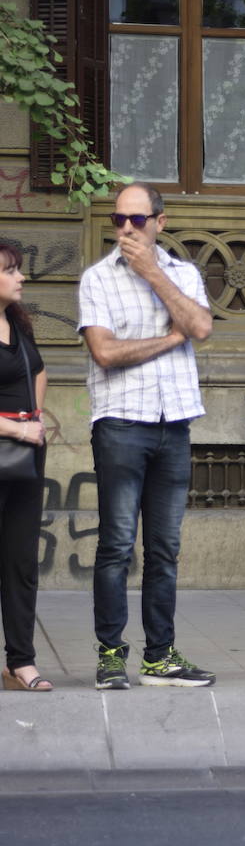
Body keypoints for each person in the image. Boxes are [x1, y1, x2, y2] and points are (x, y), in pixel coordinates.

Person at [78, 182, 216, 690]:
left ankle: (160, 657)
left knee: (165, 549)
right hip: (120, 425)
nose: (127, 230)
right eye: (119, 220)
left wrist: (153, 273)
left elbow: (200, 326)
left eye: (138, 220)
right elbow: (106, 354)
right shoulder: (97, 279)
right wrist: (170, 338)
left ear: (161, 220)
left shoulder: (182, 273)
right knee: (116, 545)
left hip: (174, 424)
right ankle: (111, 655)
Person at [0, 243, 51, 692]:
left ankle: (21, 662)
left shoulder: (18, 324)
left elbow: (39, 370)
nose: (21, 278)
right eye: (12, 271)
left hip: (25, 459)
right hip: (11, 446)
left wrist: (34, 419)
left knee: (20, 563)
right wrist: (17, 430)